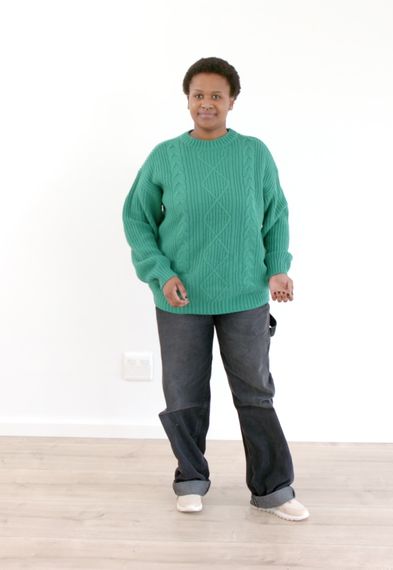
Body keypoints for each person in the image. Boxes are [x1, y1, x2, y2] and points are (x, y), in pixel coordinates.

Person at [121, 57, 309, 522]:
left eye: (216, 96)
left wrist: (277, 269)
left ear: (232, 102)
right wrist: (161, 274)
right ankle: (190, 477)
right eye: (198, 95)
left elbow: (276, 216)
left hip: (245, 294)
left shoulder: (254, 153)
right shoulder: (165, 156)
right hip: (180, 297)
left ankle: (273, 489)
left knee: (255, 391)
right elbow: (137, 220)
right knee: (184, 389)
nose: (206, 103)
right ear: (187, 100)